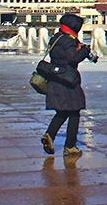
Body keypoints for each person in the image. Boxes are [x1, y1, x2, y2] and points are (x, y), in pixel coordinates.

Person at [40, 13, 95, 156]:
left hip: (55, 78)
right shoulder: (68, 40)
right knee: (75, 111)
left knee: (63, 110)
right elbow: (73, 58)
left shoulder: (57, 37)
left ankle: (50, 135)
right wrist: (85, 50)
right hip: (68, 80)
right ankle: (70, 146)